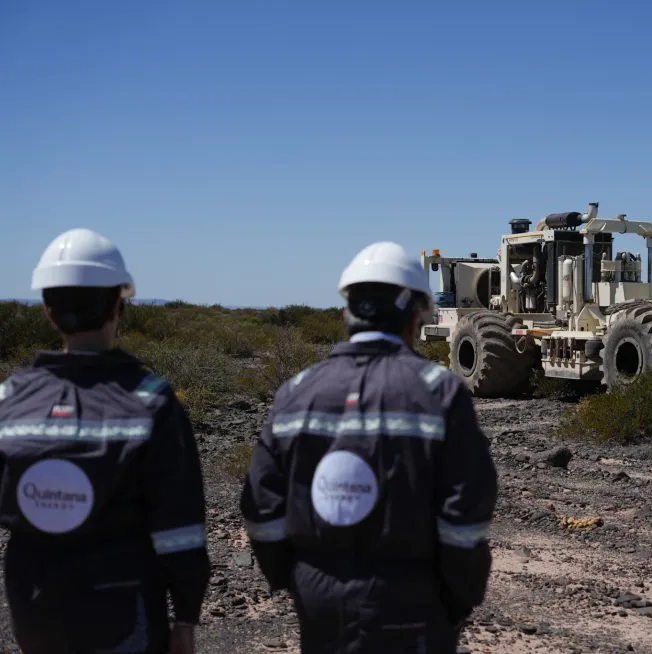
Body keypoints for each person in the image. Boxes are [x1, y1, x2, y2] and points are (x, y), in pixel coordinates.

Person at [240, 240, 499, 653]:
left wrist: (295, 579)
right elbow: (466, 513)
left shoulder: (296, 392)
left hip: (319, 600)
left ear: (347, 312)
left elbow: (261, 507)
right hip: (413, 600)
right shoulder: (439, 393)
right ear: (415, 314)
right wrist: (457, 597)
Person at [0, 228, 211, 654]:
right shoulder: (149, 400)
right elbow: (179, 525)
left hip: (33, 607)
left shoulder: (10, 399)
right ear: (118, 305)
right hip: (120, 609)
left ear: (48, 311)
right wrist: (186, 616)